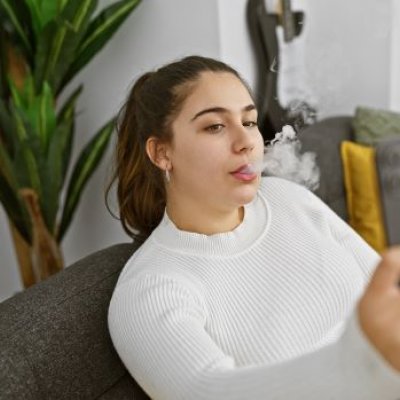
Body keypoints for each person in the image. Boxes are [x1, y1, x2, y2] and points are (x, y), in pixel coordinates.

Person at [106, 55, 400, 399]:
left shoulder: (288, 198)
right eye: (215, 126)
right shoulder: (151, 288)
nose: (245, 142)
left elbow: (386, 294)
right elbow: (208, 392)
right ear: (161, 153)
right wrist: (363, 363)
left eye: (249, 122)